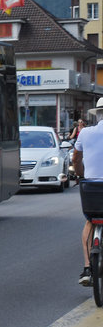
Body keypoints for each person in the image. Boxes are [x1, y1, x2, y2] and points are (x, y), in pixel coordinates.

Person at [72, 100, 103, 285]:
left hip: (91, 187)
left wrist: (81, 175)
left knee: (90, 221)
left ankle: (86, 269)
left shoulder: (85, 133)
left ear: (97, 114)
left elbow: (76, 159)